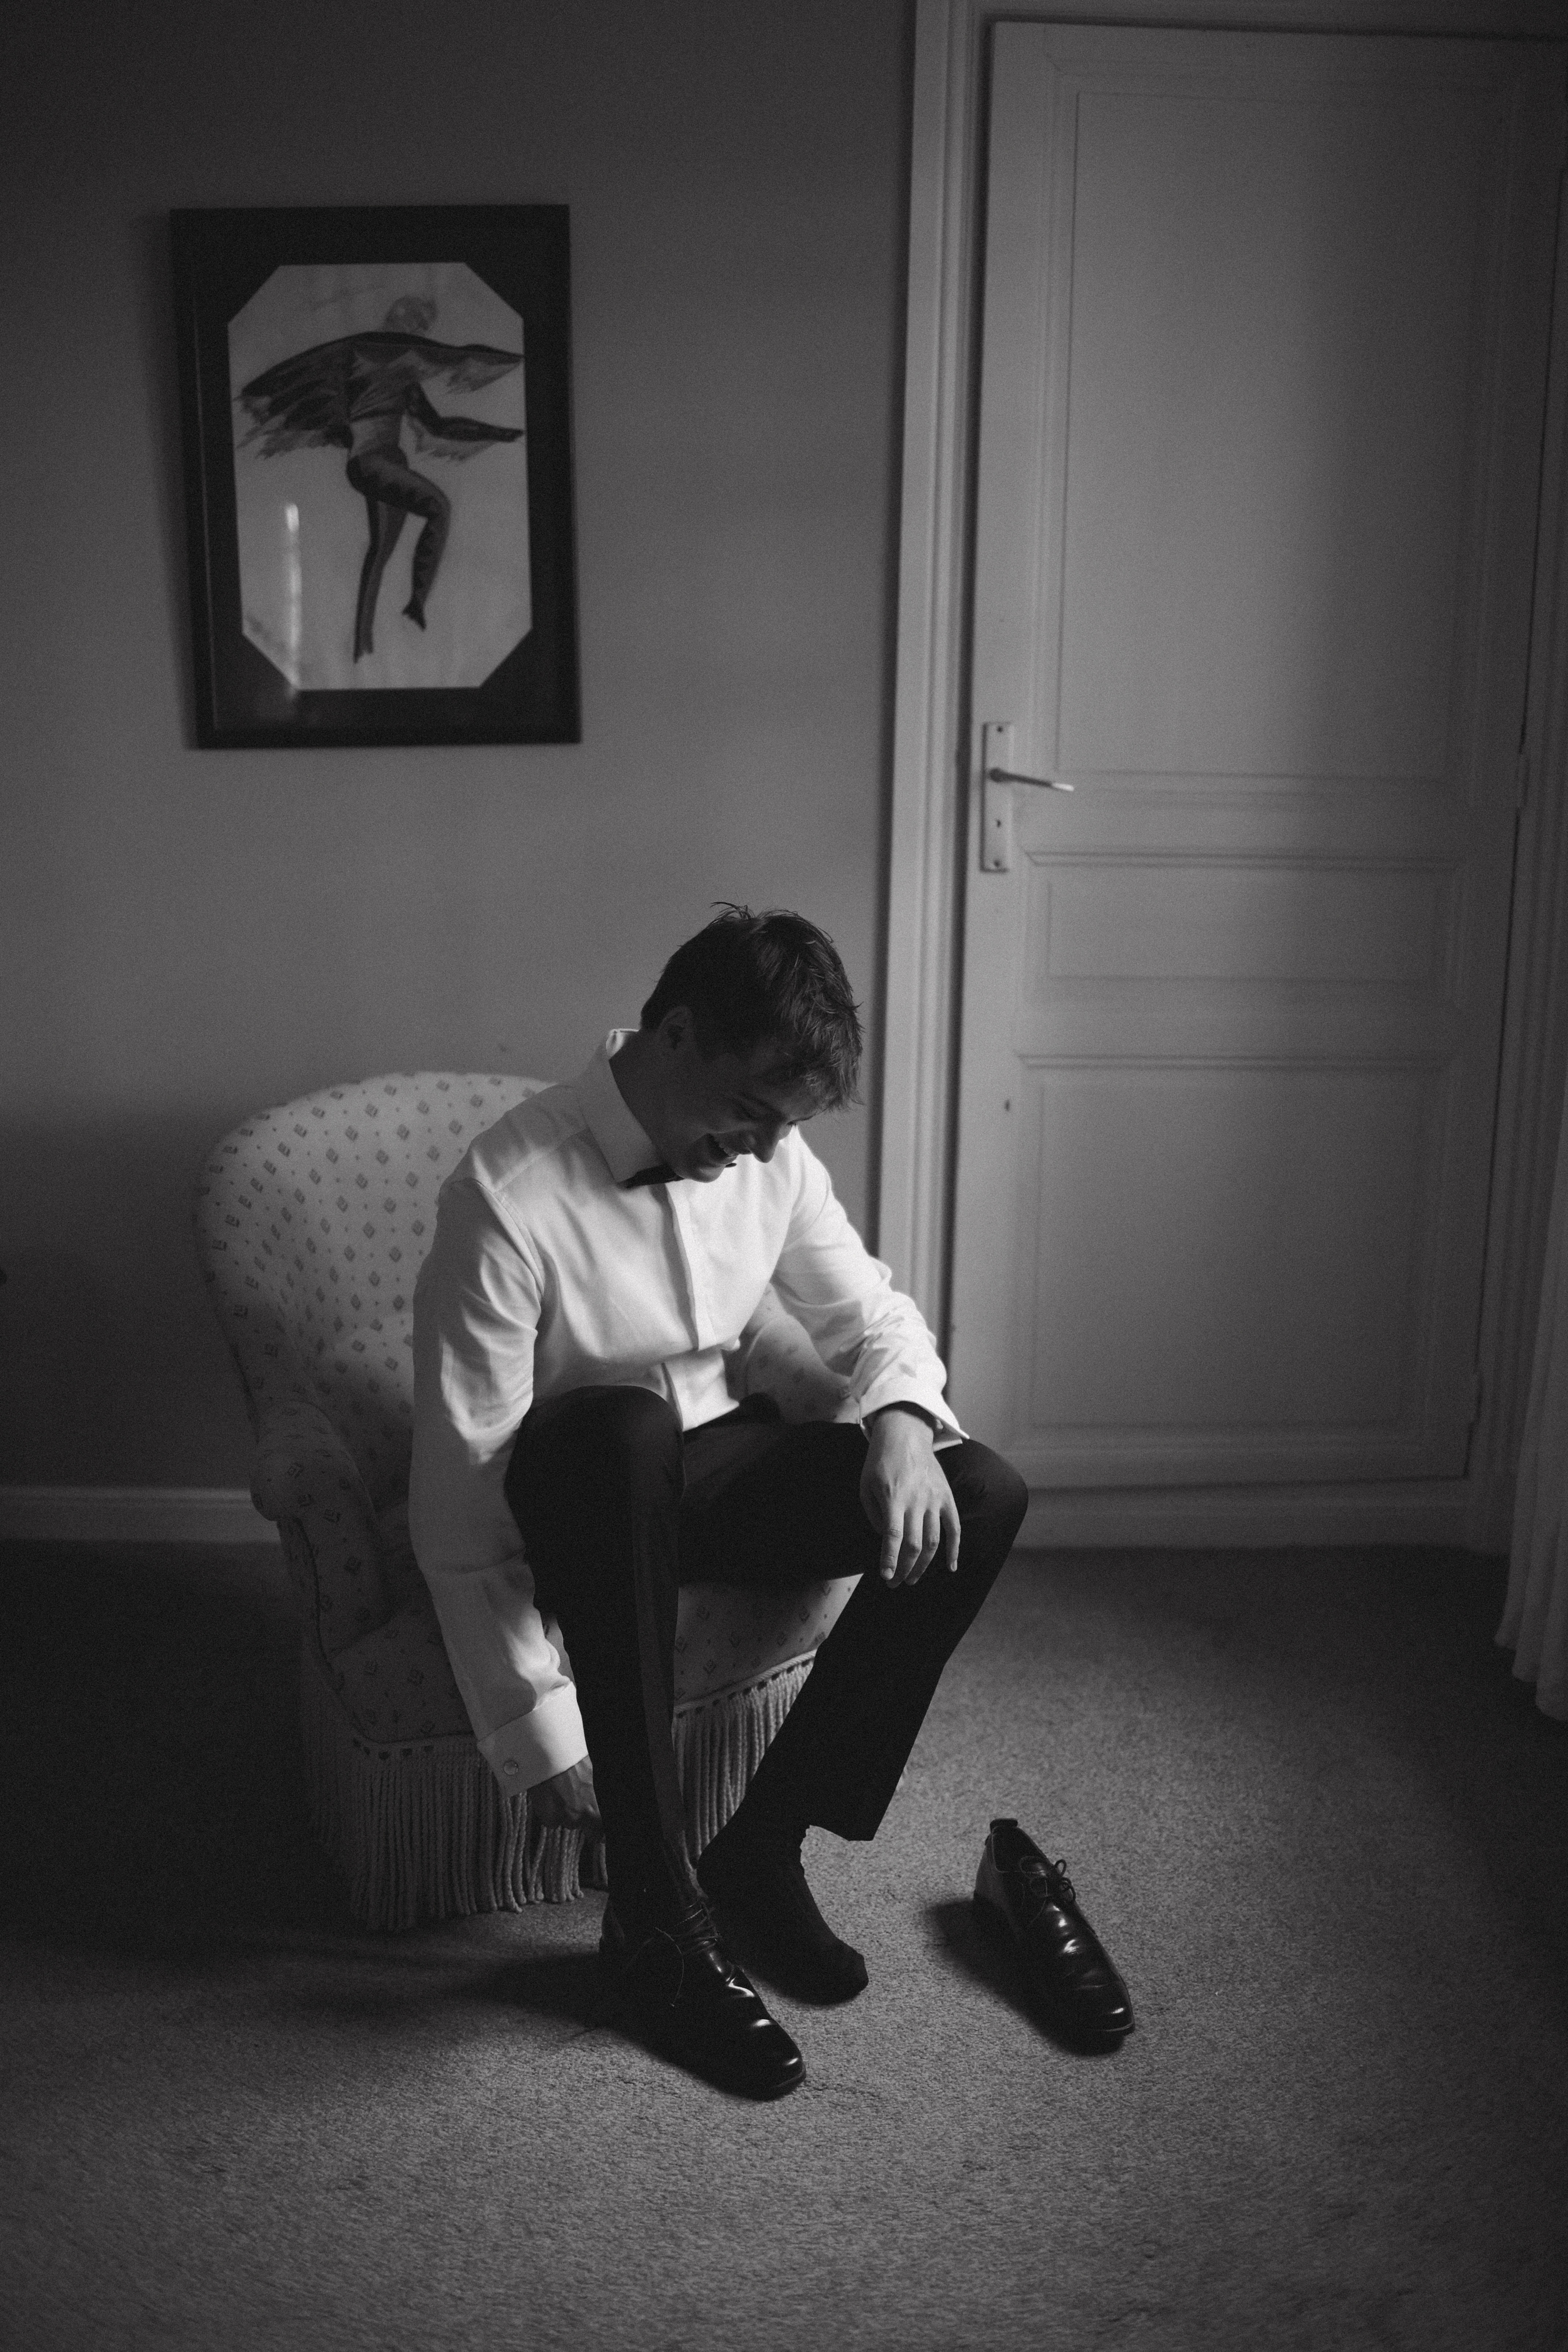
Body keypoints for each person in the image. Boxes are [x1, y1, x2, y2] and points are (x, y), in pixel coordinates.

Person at [408, 907, 1113, 2099]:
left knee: (979, 1489)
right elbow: (460, 1489)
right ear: (677, 1032)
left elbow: (876, 1316)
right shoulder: (506, 1192)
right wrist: (534, 1722)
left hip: (712, 1466)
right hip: (581, 1489)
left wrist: (895, 1428)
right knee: (627, 1426)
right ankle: (650, 1916)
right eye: (750, 1112)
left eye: (785, 1126)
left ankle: (761, 1845)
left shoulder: (771, 1157)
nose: (761, 1148)